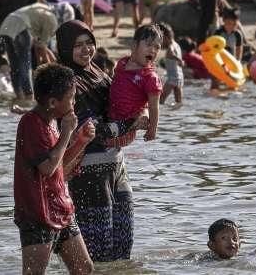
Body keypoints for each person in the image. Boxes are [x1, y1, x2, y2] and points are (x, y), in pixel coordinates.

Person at [56, 20, 147, 261]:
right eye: (78, 45)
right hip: (88, 171)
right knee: (98, 254)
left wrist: (143, 108)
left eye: (89, 43)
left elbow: (123, 103)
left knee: (124, 249)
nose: (86, 50)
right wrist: (131, 124)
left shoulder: (97, 72)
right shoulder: (66, 83)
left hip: (117, 166)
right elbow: (92, 129)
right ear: (65, 48)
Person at [13, 63, 94, 275]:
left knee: (84, 268)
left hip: (61, 210)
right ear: (52, 102)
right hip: (37, 216)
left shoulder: (52, 122)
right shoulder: (30, 124)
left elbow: (60, 168)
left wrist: (81, 141)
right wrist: (67, 133)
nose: (74, 101)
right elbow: (47, 168)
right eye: (71, 97)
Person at [109, 24, 162, 142]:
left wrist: (153, 129)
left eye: (157, 47)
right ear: (134, 45)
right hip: (112, 117)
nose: (153, 50)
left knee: (103, 140)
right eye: (148, 45)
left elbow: (154, 106)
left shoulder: (150, 77)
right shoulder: (122, 63)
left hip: (128, 126)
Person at [0, 3, 59, 102]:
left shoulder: (40, 11)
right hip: (20, 26)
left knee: (15, 66)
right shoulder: (52, 20)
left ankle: (19, 97)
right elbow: (42, 48)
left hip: (7, 25)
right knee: (25, 65)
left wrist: (41, 67)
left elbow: (39, 47)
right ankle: (29, 98)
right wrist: (52, 69)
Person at [159, 22, 184, 105]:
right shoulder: (176, 45)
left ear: (165, 37)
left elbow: (171, 54)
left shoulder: (170, 47)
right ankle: (178, 114)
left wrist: (179, 59)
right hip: (179, 77)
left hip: (172, 78)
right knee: (179, 101)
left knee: (161, 99)